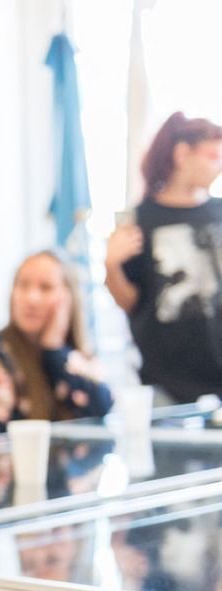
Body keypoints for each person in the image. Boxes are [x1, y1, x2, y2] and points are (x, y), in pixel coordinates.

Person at [105, 111, 222, 404]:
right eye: (212, 156)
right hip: (167, 386)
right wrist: (112, 265)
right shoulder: (141, 220)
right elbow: (129, 302)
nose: (218, 167)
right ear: (182, 153)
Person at [0, 249, 113, 435]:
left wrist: (54, 350)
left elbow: (102, 408)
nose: (32, 299)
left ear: (67, 298)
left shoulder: (75, 357)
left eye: (45, 288)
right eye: (23, 286)